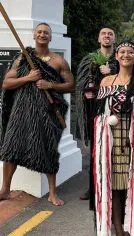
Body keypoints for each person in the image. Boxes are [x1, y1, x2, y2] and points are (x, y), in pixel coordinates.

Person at [0, 22, 74, 206]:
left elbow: (71, 85)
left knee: (49, 149)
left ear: (50, 37)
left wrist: (51, 85)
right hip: (22, 111)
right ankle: (5, 190)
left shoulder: (58, 61)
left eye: (46, 33)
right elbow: (6, 83)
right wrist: (28, 78)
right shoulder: (23, 58)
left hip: (48, 112)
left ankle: (52, 193)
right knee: (11, 148)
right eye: (39, 32)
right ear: (34, 35)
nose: (42, 35)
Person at [93, 41, 134, 236]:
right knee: (114, 184)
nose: (126, 55)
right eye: (122, 52)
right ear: (116, 56)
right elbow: (99, 115)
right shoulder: (106, 82)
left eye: (130, 52)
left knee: (133, 183)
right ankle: (118, 228)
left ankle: (132, 226)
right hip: (111, 138)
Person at [76, 27, 118, 201]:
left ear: (114, 39)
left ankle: (115, 188)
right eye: (104, 34)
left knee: (117, 149)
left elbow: (129, 79)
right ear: (98, 38)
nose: (107, 36)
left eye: (110, 34)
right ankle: (93, 188)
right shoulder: (89, 59)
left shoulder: (120, 56)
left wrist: (112, 72)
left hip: (116, 109)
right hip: (94, 109)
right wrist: (86, 93)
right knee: (96, 150)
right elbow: (81, 83)